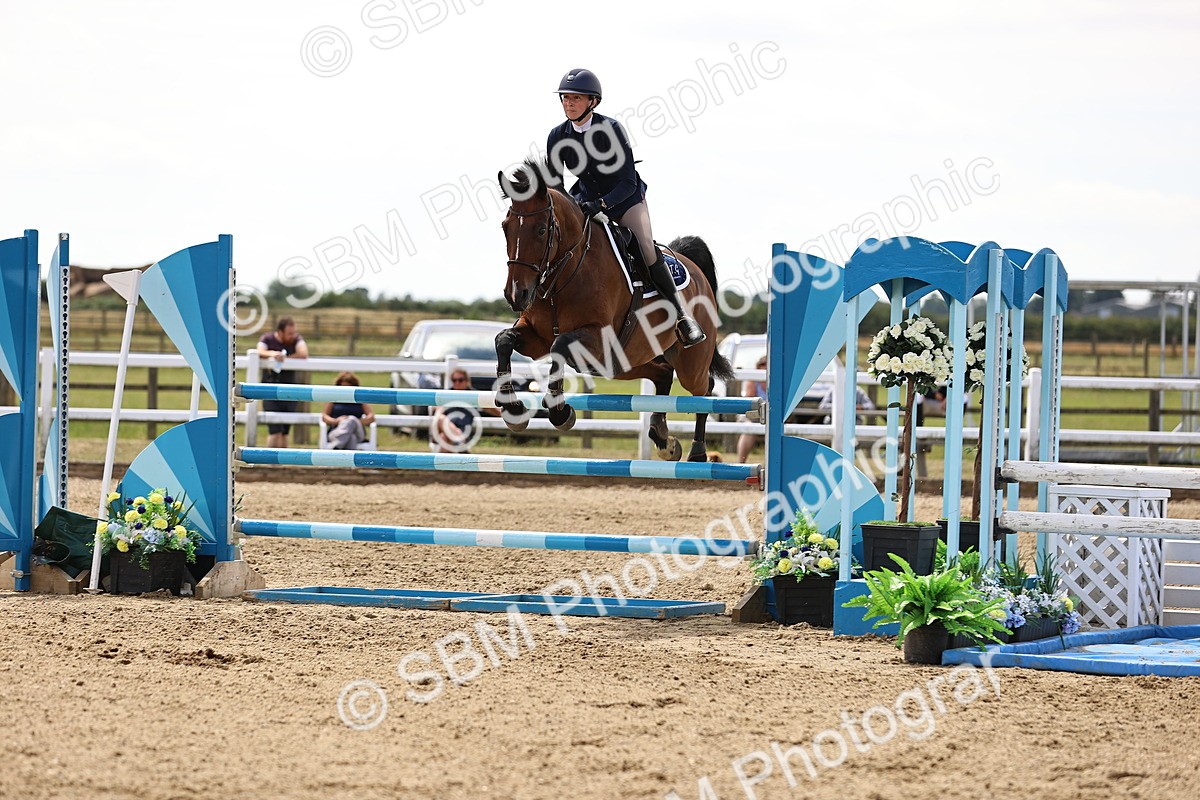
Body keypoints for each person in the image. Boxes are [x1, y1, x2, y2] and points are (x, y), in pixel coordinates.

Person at [546, 67, 705, 348]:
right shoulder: (557, 136)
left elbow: (628, 182)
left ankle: (682, 317)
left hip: (625, 199)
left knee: (644, 247)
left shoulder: (611, 130)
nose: (569, 103)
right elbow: (555, 186)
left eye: (576, 98)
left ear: (592, 102)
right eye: (565, 98)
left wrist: (603, 205)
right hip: (584, 201)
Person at [257, 316, 309, 448]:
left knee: (285, 432)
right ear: (280, 332)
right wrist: (272, 354)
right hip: (270, 390)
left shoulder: (296, 339)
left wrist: (286, 358)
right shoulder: (267, 338)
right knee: (275, 431)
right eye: (289, 333)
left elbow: (303, 353)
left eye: (294, 332)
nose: (293, 336)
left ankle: (282, 466)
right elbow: (259, 351)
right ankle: (270, 464)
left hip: (290, 391)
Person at [429, 369, 498, 453]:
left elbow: (491, 409)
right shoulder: (447, 394)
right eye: (454, 380)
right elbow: (437, 408)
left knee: (444, 437)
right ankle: (460, 442)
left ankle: (456, 445)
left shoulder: (473, 395)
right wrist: (438, 408)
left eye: (460, 380)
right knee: (440, 419)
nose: (457, 383)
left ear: (467, 381)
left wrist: (507, 415)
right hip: (449, 429)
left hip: (463, 430)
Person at [322, 372, 375, 450]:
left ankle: (337, 446)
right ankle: (345, 459)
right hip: (336, 431)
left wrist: (355, 421)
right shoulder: (333, 398)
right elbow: (325, 416)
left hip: (357, 431)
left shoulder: (360, 399)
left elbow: (371, 417)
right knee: (351, 438)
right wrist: (336, 421)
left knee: (351, 419)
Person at [736, 356, 769, 464]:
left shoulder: (776, 380)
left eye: (766, 366)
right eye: (762, 366)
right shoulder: (753, 380)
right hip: (753, 415)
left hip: (769, 415)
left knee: (774, 431)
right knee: (749, 429)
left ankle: (772, 464)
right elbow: (750, 402)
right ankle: (741, 462)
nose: (764, 369)